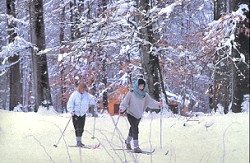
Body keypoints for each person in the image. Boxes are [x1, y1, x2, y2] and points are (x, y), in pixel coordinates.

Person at [119, 78, 163, 153]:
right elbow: (125, 101)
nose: (141, 87)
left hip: (138, 115)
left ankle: (127, 142)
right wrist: (122, 108)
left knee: (132, 130)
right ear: (137, 85)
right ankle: (136, 146)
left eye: (142, 85)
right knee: (135, 129)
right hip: (130, 114)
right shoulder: (131, 93)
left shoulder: (145, 96)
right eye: (140, 85)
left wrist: (158, 104)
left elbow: (151, 102)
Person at [67, 81, 97, 147]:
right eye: (82, 89)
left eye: (85, 89)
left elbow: (92, 99)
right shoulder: (74, 95)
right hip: (75, 113)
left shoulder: (87, 95)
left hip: (83, 114)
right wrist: (71, 110)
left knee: (81, 128)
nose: (83, 90)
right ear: (80, 88)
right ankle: (78, 141)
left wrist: (94, 100)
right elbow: (70, 103)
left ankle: (80, 141)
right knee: (77, 127)